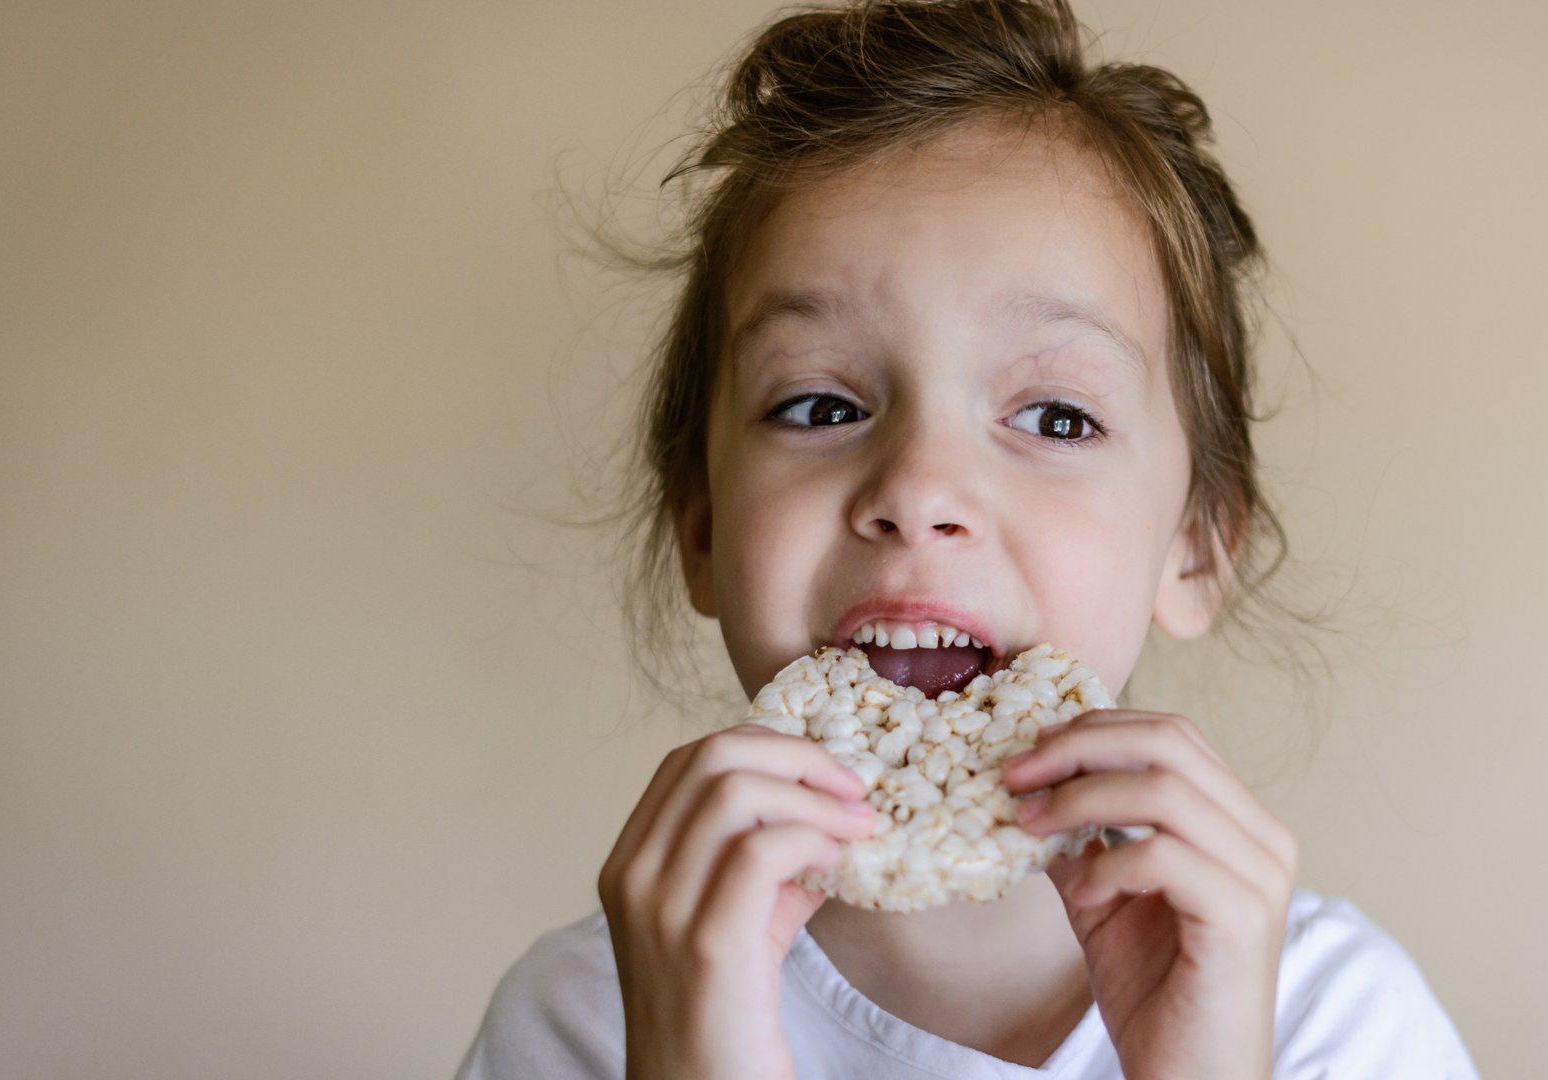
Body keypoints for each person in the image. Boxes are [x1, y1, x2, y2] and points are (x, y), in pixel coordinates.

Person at [458, 1, 1478, 1076]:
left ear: (1195, 543)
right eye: (818, 405)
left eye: (1054, 418)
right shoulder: (594, 1017)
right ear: (701, 528)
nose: (918, 489)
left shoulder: (1326, 1018)